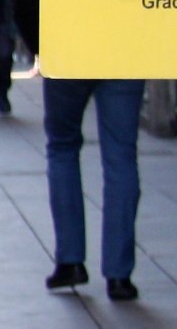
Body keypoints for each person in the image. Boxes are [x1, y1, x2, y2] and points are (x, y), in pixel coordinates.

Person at [44, 76, 146, 301]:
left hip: (69, 57)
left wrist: (40, 49)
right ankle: (119, 276)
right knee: (122, 156)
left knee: (62, 148)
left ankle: (70, 261)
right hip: (124, 57)